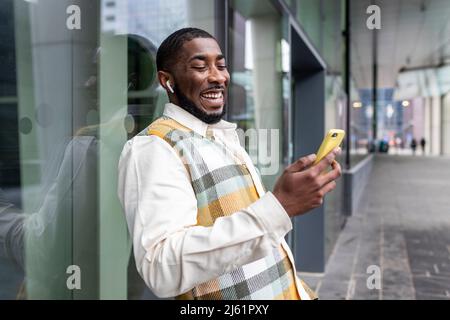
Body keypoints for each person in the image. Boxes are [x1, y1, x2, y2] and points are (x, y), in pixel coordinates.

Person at [117, 28, 342, 300]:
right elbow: (161, 267)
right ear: (168, 81)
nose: (218, 76)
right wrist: (280, 206)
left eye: (221, 66)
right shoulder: (154, 147)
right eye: (200, 67)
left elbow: (258, 245)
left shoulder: (225, 137)